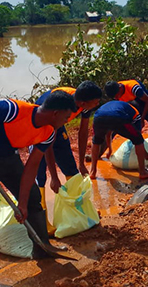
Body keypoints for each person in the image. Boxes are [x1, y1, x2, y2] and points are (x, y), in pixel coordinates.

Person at [0, 91, 77, 286]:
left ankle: (41, 247)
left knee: (33, 198)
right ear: (55, 113)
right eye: (66, 117)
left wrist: (23, 204)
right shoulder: (14, 110)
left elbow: (31, 167)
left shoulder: (48, 133)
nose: (66, 121)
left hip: (9, 157)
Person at [33, 82, 102, 235]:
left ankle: (82, 211)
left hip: (57, 126)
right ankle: (42, 223)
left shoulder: (83, 104)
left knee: (71, 169)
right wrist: (54, 177)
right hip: (40, 129)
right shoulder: (58, 107)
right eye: (96, 102)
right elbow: (47, 144)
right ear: (84, 103)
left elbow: (83, 132)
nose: (97, 104)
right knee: (40, 176)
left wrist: (81, 163)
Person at [104, 79, 148, 167]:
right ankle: (100, 152)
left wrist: (142, 118)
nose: (116, 98)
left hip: (147, 105)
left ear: (120, 88)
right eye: (114, 97)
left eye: (116, 95)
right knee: (115, 127)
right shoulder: (116, 91)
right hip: (133, 107)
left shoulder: (133, 88)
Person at [89, 100, 148, 180]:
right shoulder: (135, 112)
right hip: (118, 117)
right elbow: (138, 138)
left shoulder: (117, 105)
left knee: (96, 141)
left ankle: (92, 172)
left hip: (98, 117)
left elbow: (108, 134)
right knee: (138, 140)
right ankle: (143, 172)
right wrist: (145, 153)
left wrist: (110, 150)